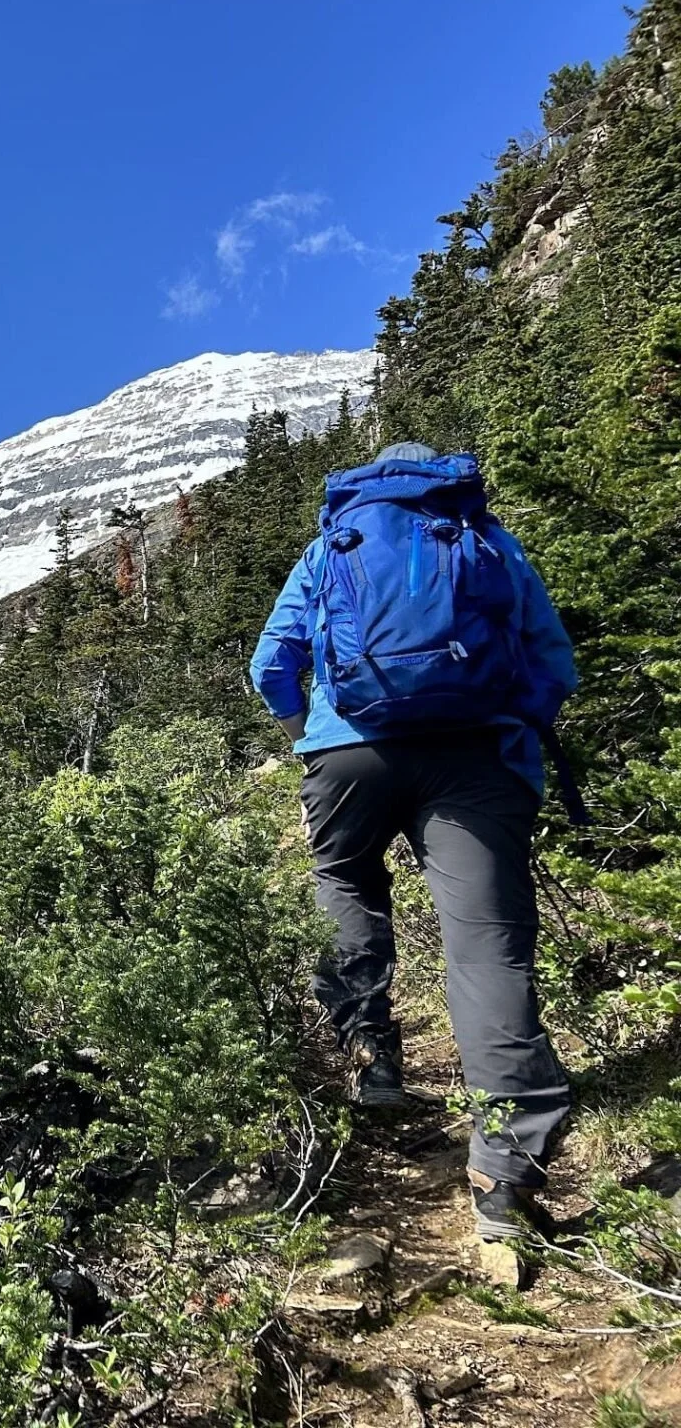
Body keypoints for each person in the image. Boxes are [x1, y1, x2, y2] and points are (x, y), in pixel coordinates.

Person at [249, 442, 579, 1243]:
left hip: (347, 754)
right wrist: (514, 730)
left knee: (345, 883)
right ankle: (505, 1173)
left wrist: (309, 740)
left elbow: (271, 663)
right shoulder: (483, 537)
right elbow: (550, 658)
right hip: (474, 753)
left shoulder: (332, 546)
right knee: (485, 948)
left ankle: (373, 1059)